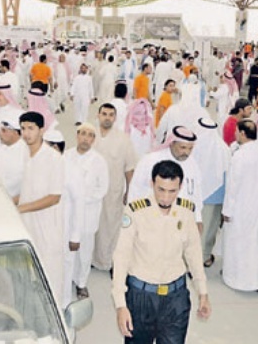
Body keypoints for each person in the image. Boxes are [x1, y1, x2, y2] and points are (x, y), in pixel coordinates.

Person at [112, 160, 212, 343]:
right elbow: (121, 256)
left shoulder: (186, 211)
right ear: (152, 184)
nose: (166, 198)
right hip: (141, 297)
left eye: (172, 191)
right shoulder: (135, 211)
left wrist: (203, 292)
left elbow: (194, 253)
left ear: (180, 187)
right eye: (161, 190)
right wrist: (120, 305)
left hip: (176, 298)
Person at [17, 111, 65, 306]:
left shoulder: (53, 158)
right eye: (23, 129)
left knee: (51, 277)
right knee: (30, 275)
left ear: (41, 130)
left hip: (48, 228)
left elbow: (54, 197)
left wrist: (21, 208)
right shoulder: (26, 156)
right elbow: (26, 190)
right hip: (29, 226)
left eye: (31, 128)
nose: (26, 133)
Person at [221, 119, 258, 294]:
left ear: (243, 134)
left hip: (240, 208)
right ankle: (256, 280)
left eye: (237, 132)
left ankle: (237, 278)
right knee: (254, 244)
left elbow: (233, 185)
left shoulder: (240, 155)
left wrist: (227, 210)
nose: (235, 134)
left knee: (237, 243)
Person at [63, 124, 109, 301]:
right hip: (68, 211)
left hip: (88, 213)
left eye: (90, 135)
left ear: (93, 140)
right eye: (83, 134)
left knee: (84, 250)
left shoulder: (99, 161)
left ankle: (81, 283)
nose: (85, 138)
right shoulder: (66, 156)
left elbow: (102, 188)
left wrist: (81, 198)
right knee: (67, 248)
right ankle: (66, 280)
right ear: (77, 135)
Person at [92, 103, 138, 273]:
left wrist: (129, 191)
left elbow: (129, 168)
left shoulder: (123, 139)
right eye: (104, 114)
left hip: (113, 190)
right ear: (98, 115)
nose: (107, 117)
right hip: (90, 192)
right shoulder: (90, 134)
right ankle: (91, 258)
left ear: (115, 118)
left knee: (111, 226)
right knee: (92, 224)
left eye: (111, 115)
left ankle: (108, 261)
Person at [128, 126, 204, 228]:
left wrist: (198, 219)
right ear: (172, 143)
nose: (186, 152)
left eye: (190, 148)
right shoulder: (150, 160)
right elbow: (135, 190)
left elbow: (196, 194)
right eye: (183, 148)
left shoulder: (192, 164)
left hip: (181, 221)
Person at [192, 117, 230, 269]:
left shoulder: (192, 146)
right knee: (209, 228)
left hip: (195, 194)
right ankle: (204, 257)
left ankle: (189, 259)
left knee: (193, 227)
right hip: (216, 196)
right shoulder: (223, 148)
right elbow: (228, 175)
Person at [0, 111, 27, 198]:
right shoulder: (5, 147)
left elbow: (16, 183)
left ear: (16, 132)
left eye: (4, 131)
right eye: (0, 130)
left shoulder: (24, 153)